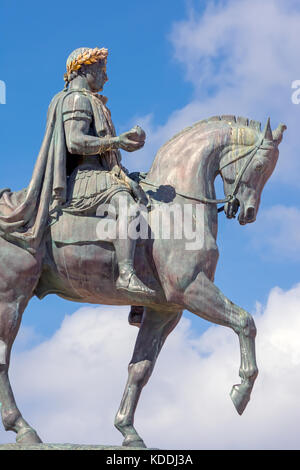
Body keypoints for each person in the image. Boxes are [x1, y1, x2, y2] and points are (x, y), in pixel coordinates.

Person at [0, 47, 154, 297]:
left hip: (100, 172)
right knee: (126, 204)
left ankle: (146, 293)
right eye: (101, 71)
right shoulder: (77, 99)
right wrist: (117, 141)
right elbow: (75, 141)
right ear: (83, 70)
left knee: (147, 195)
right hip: (85, 178)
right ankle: (126, 274)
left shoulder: (90, 100)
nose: (106, 78)